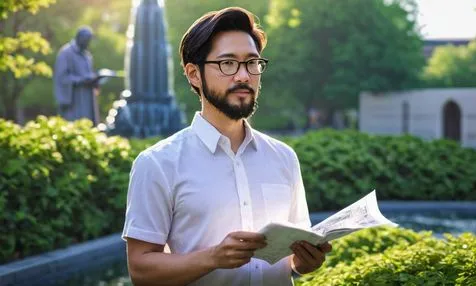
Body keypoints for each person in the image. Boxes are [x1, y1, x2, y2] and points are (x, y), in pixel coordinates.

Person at [122, 7, 331, 286]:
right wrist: (213, 258)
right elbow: (140, 269)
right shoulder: (158, 163)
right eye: (228, 64)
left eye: (252, 63)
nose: (244, 76)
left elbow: (294, 261)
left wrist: (305, 262)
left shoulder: (284, 157)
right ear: (194, 74)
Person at [53, 26, 99, 126]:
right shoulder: (66, 53)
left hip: (87, 98)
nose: (88, 43)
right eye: (87, 40)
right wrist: (81, 80)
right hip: (73, 100)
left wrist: (95, 80)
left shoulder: (87, 55)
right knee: (72, 126)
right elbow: (62, 77)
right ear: (79, 38)